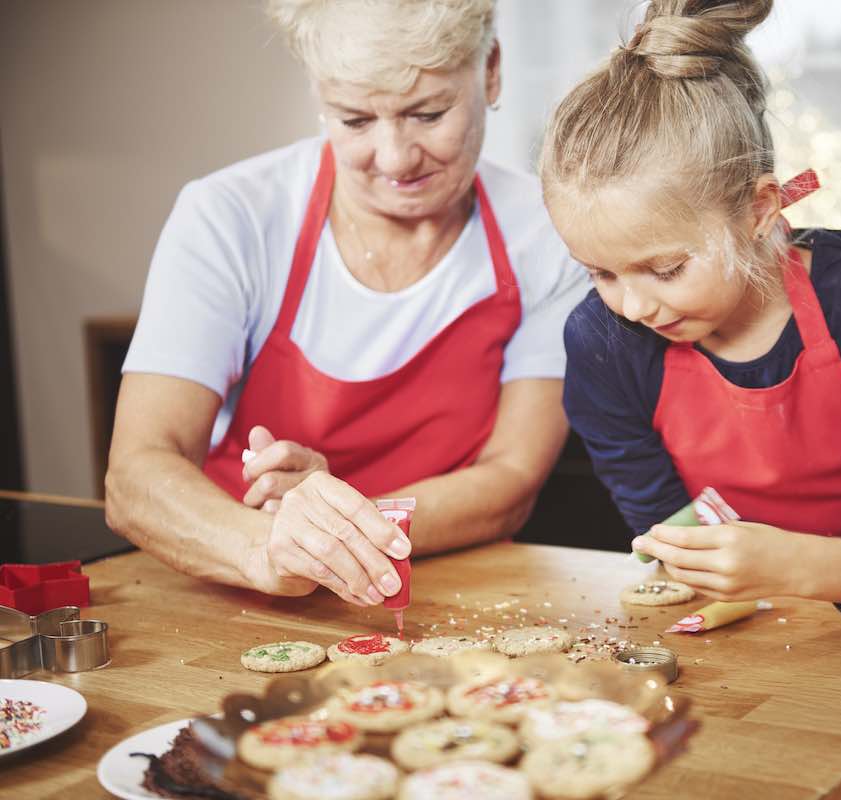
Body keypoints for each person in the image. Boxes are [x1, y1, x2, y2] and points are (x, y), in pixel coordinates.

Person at [105, 0, 587, 608]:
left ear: (490, 70)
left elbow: (511, 480)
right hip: (237, 584)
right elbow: (137, 473)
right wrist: (269, 547)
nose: (395, 157)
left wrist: (343, 523)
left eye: (428, 113)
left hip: (450, 591)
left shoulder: (547, 235)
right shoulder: (231, 217)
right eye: (356, 121)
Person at [538, 0, 841, 613]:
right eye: (599, 272)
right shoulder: (605, 342)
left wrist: (819, 565)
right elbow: (674, 542)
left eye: (667, 269)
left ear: (759, 209)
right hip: (754, 630)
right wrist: (709, 566)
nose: (631, 306)